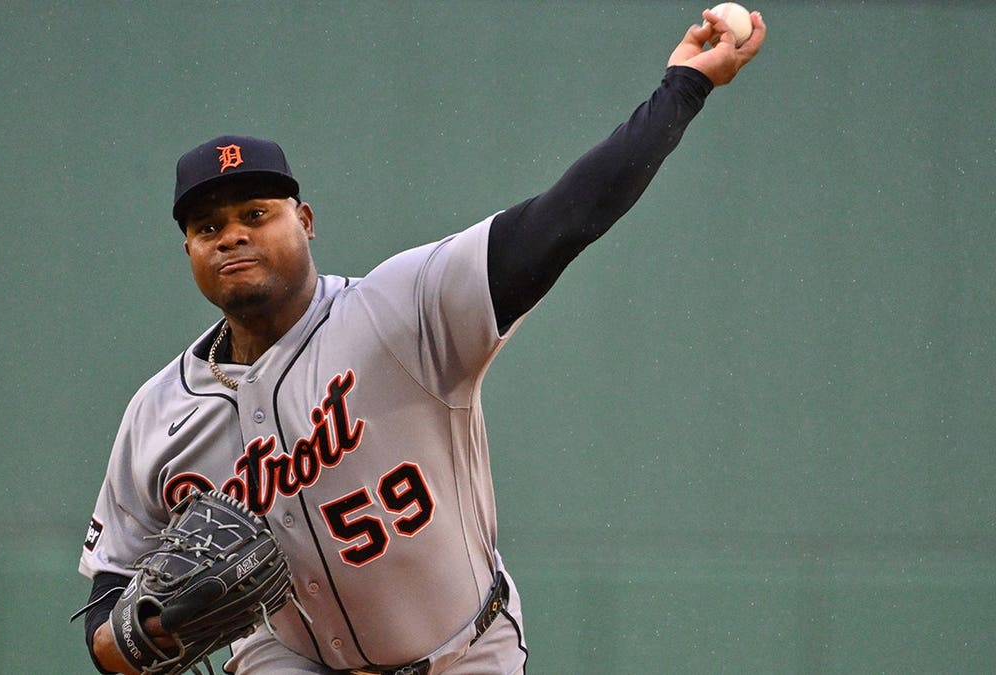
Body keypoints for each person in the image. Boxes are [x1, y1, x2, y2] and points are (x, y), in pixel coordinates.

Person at [76, 10, 766, 674]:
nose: (231, 235)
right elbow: (107, 603)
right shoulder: (156, 414)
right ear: (189, 250)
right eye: (207, 227)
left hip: (466, 653)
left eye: (256, 214)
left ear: (306, 220)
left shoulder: (401, 310)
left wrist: (684, 84)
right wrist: (136, 636)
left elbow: (566, 216)